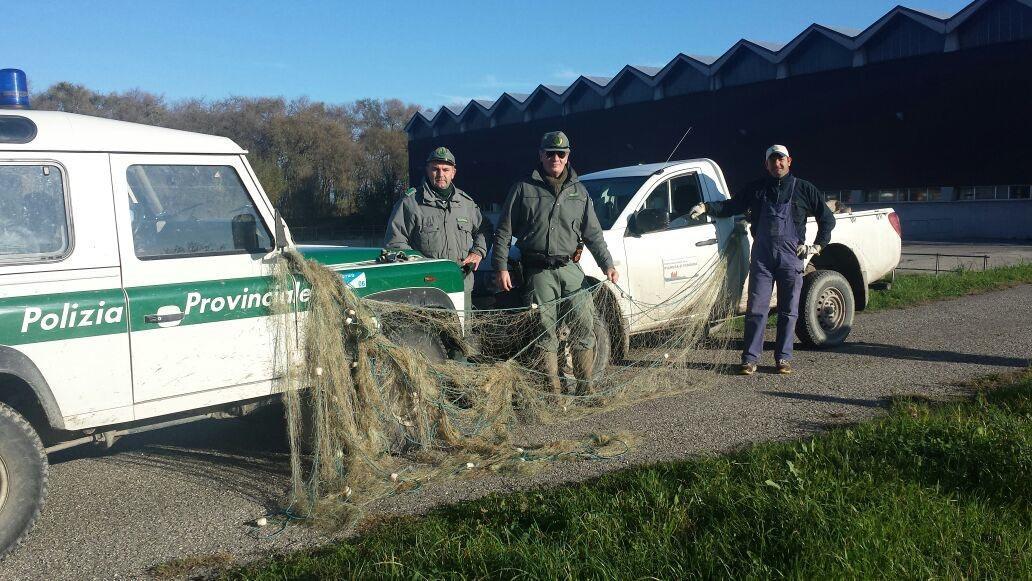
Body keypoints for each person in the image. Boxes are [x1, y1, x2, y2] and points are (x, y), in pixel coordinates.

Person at [492, 131, 618, 399]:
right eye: (550, 153)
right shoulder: (523, 188)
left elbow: (593, 234)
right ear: (541, 155)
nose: (556, 158)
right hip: (538, 272)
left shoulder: (579, 191)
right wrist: (500, 267)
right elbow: (503, 231)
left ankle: (586, 389)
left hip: (570, 270)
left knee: (584, 323)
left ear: (568, 156)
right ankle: (554, 395)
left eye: (561, 153)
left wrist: (607, 264)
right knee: (544, 331)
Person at [690, 144, 835, 375]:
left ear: (789, 161)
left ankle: (783, 358)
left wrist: (818, 245)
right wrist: (706, 207)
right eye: (772, 160)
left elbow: (827, 218)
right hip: (762, 258)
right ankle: (749, 359)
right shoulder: (756, 189)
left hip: (792, 257)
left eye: (781, 159)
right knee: (756, 308)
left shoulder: (804, 189)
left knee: (789, 310)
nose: (777, 164)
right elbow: (732, 206)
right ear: (766, 164)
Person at [384, 146, 492, 311]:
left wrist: (478, 252)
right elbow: (395, 243)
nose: (441, 174)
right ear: (428, 170)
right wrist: (422, 268)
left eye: (446, 170)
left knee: (463, 328)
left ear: (453, 172)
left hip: (461, 286)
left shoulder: (466, 204)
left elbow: (485, 229)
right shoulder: (410, 204)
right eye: (435, 169)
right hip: (426, 291)